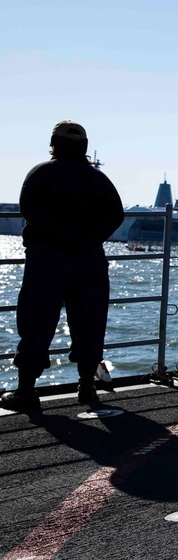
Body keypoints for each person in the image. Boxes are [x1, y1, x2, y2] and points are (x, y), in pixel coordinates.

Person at [1, 122, 124, 412]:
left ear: (54, 143)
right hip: (90, 259)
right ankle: (86, 386)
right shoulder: (98, 179)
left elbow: (28, 207)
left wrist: (61, 236)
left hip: (48, 258)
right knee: (89, 321)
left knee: (36, 321)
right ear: (84, 147)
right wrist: (87, 239)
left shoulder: (41, 173)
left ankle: (27, 391)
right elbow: (115, 214)